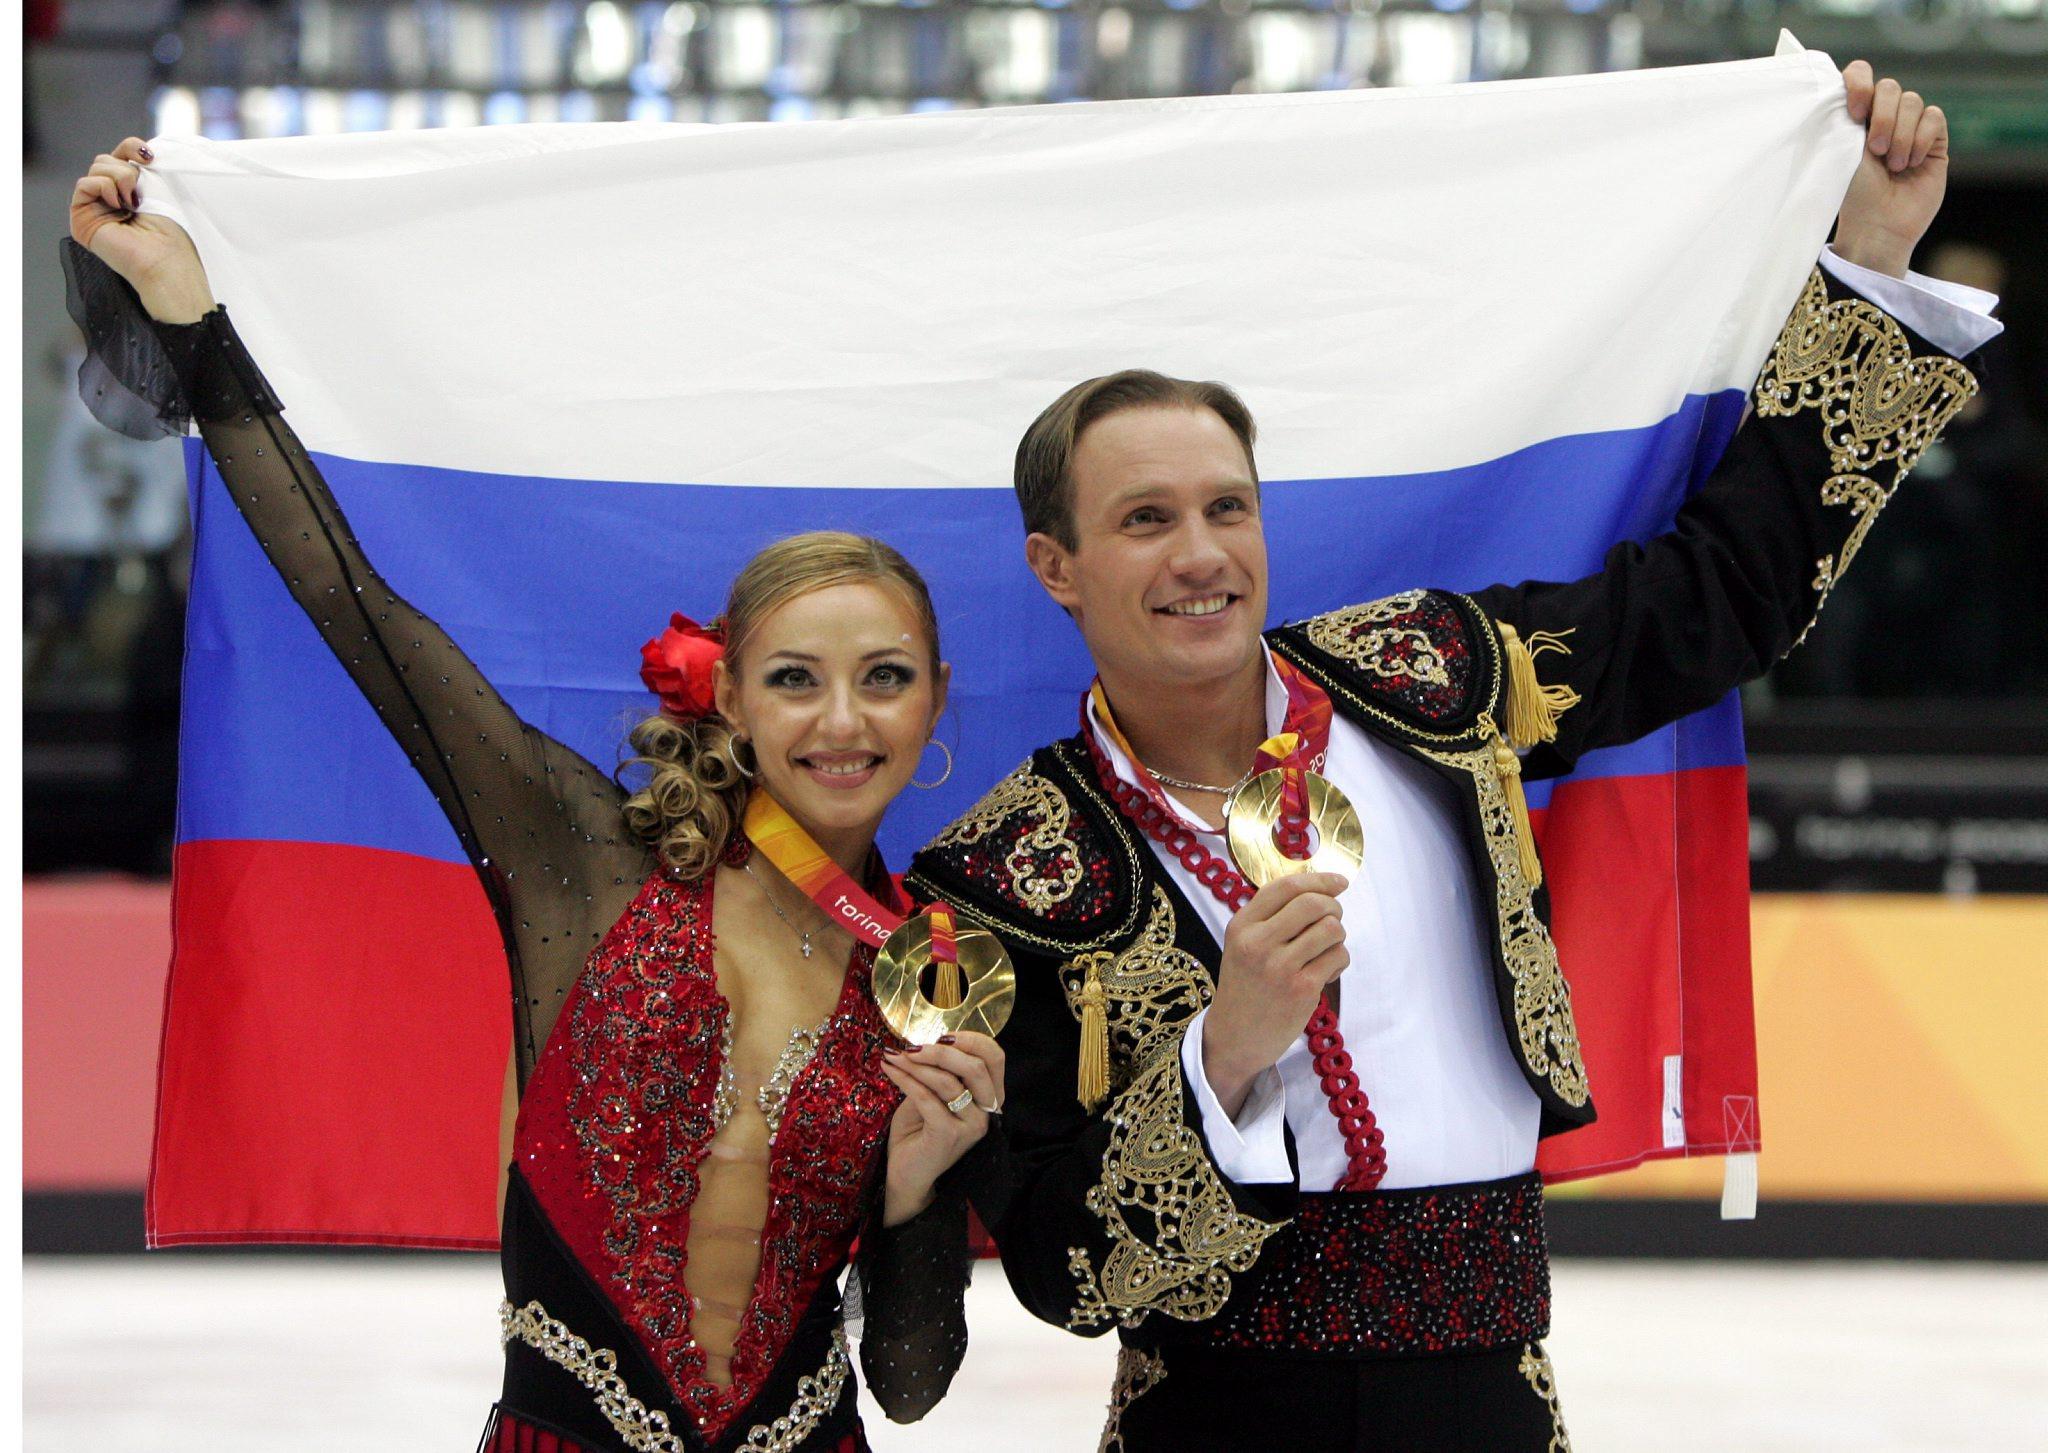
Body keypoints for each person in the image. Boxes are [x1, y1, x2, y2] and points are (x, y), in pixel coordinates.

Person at [904, 62, 2001, 1450]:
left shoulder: (1429, 677)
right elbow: (1063, 1270)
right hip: (1214, 1411)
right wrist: (1223, 1058)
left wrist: (1871, 268)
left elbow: (1726, 594)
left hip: (1487, 1388)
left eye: (1227, 506)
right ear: (1053, 566)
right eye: (1144, 519)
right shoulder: (1003, 873)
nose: (1200, 554)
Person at [67, 139, 1007, 1453]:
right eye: (797, 677)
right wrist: (188, 310)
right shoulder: (590, 858)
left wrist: (915, 1193)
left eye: (885, 677)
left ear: (935, 699)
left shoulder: (938, 966)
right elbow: (364, 614)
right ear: (729, 695)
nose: (842, 720)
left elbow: (907, 1380)